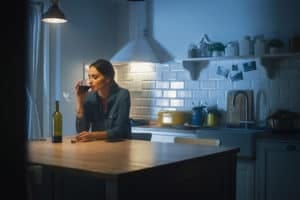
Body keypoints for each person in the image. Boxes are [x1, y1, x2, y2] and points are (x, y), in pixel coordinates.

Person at [75, 59, 131, 142]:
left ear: (108, 78)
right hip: (98, 147)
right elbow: (81, 130)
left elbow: (120, 131)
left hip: (120, 147)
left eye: (95, 77)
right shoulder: (90, 97)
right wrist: (80, 101)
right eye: (89, 77)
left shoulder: (122, 95)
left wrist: (93, 135)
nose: (90, 81)